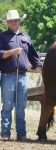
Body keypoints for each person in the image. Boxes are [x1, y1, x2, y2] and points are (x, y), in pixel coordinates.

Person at [0, 10, 42, 141]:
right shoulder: (2, 37)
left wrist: (40, 68)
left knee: (21, 107)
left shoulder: (26, 37)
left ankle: (21, 134)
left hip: (23, 77)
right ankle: (5, 133)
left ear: (19, 22)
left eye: (16, 20)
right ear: (7, 23)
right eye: (11, 21)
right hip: (8, 76)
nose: (14, 23)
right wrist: (12, 52)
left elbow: (34, 57)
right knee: (7, 106)